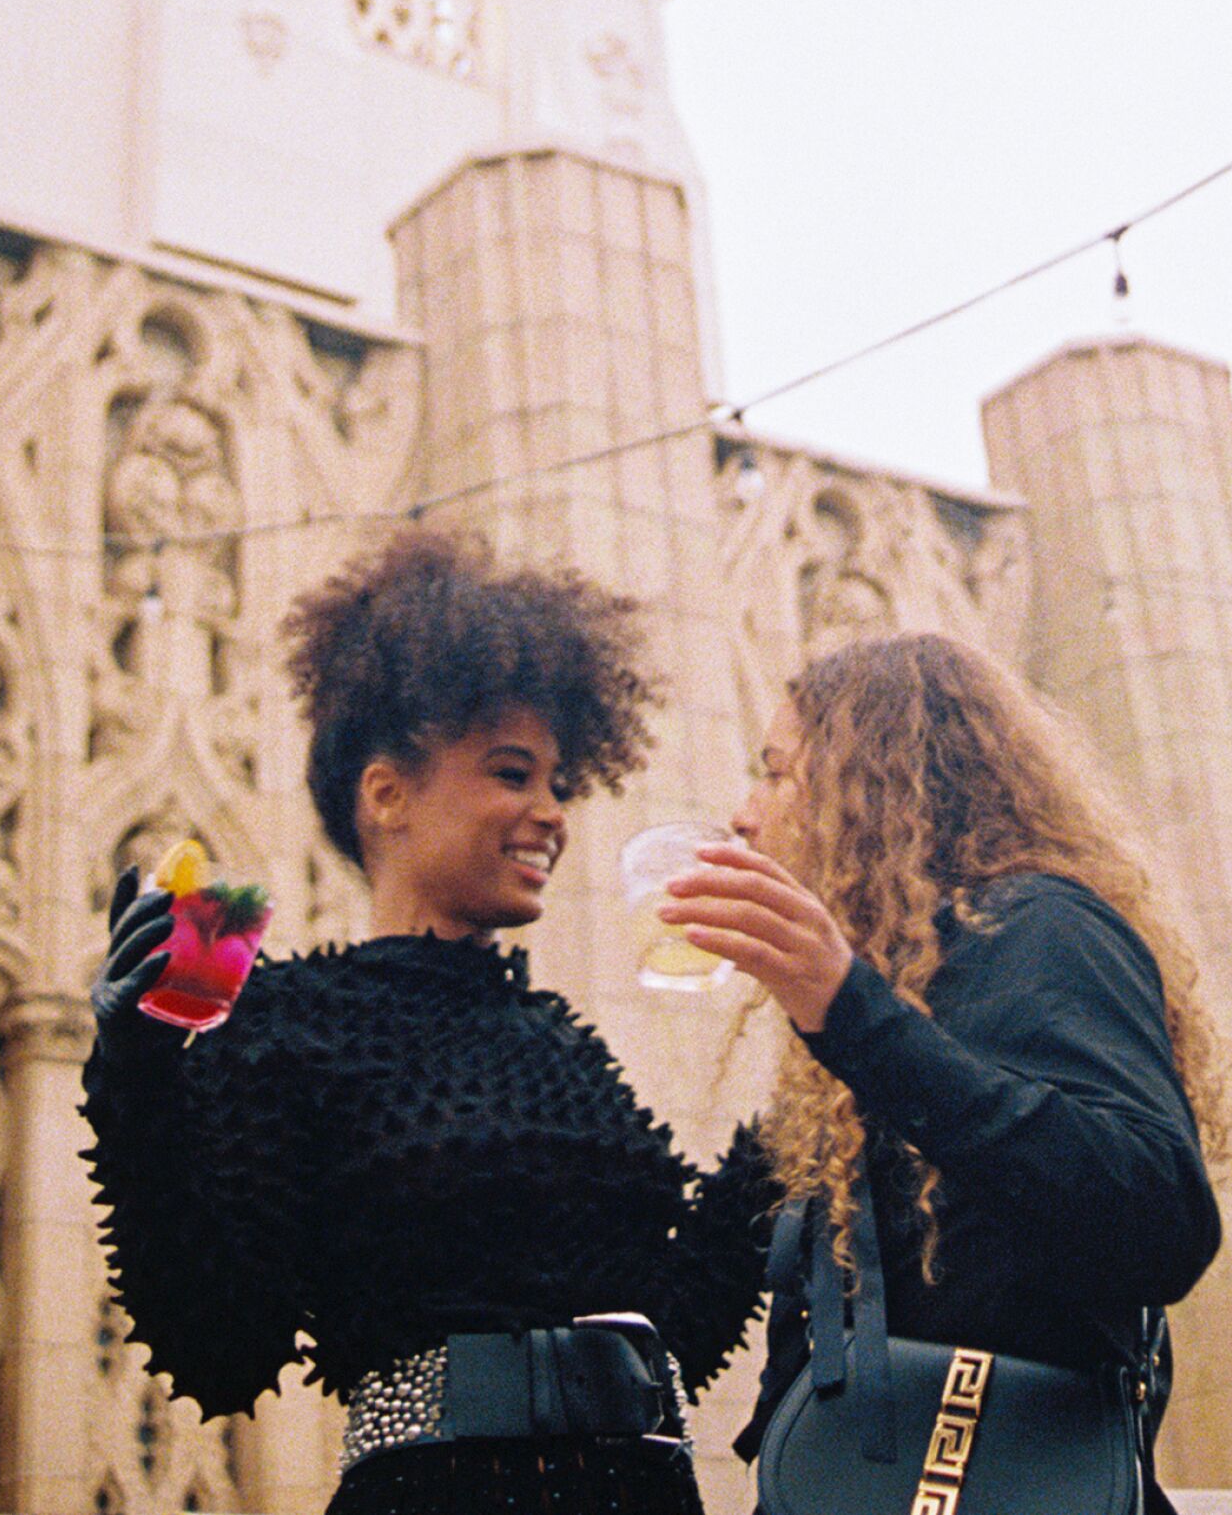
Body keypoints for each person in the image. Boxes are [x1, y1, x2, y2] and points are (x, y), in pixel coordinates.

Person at [83, 523, 769, 1515]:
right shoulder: (283, 1021)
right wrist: (134, 1074)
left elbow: (676, 1331)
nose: (551, 811)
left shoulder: (559, 1043)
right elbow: (218, 1348)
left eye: (558, 783)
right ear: (386, 794)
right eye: (510, 772)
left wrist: (806, 1095)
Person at [661, 629, 1227, 1513]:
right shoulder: (897, 989)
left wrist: (852, 1012)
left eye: (775, 773)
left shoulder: (1040, 927)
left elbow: (1159, 1216)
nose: (743, 813)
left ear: (871, 792)